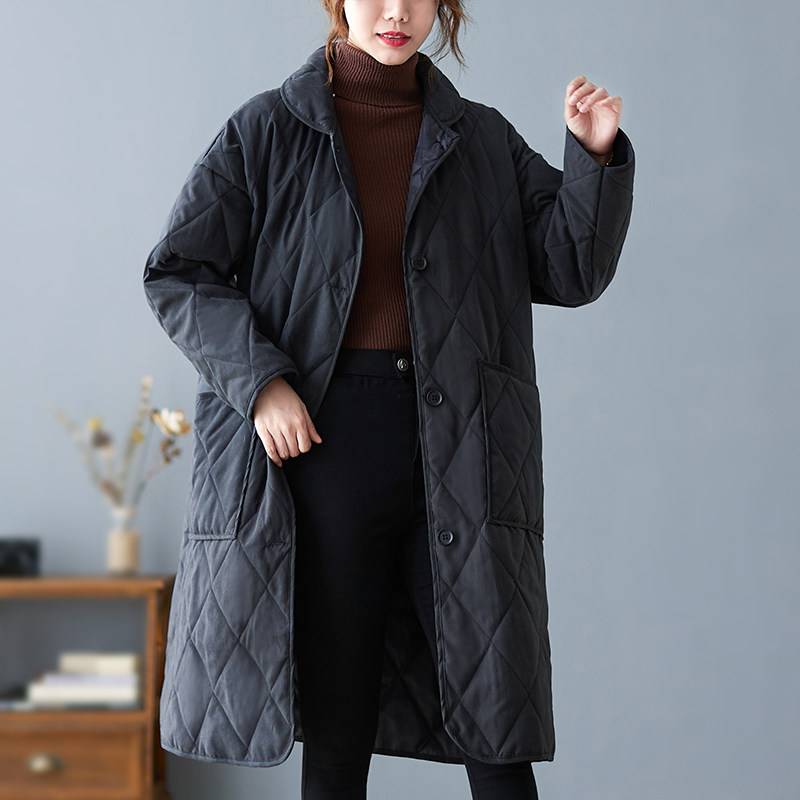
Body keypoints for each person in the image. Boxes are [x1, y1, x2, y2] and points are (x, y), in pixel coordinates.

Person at [142, 1, 635, 799]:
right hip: (328, 448)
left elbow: (570, 269)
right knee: (340, 727)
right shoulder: (268, 129)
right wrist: (263, 384)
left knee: (496, 720)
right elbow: (178, 273)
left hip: (463, 449)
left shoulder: (482, 140)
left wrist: (594, 157)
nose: (397, 12)